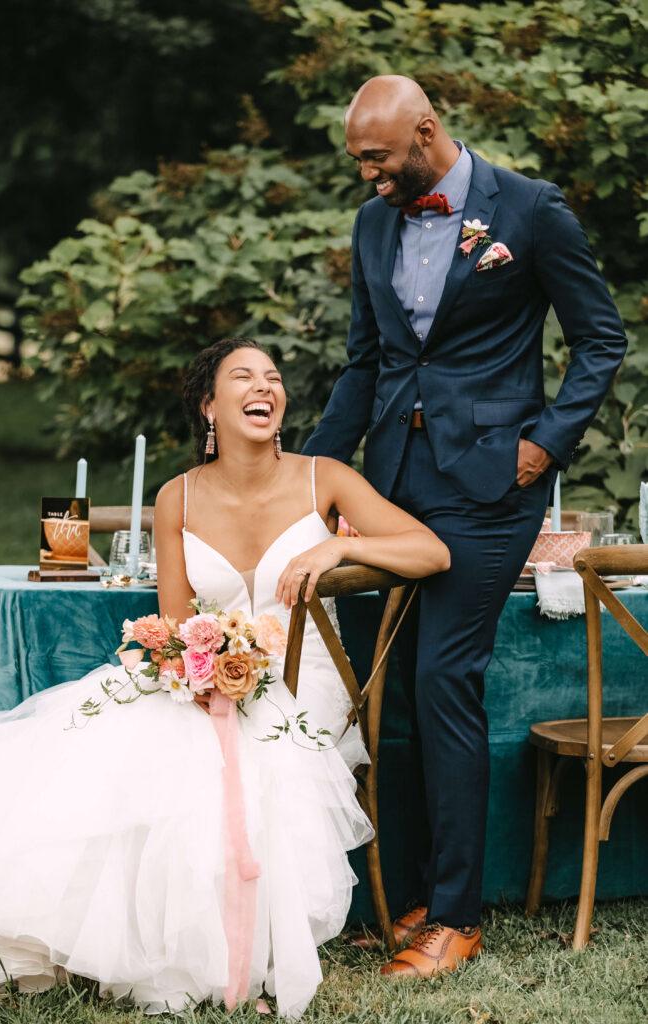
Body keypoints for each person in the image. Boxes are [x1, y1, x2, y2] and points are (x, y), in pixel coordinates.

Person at [0, 337, 449, 1018]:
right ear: (209, 407)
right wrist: (194, 671)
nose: (265, 387)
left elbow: (430, 550)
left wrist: (341, 542)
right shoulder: (176, 497)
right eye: (244, 377)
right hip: (206, 674)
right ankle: (110, 931)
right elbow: (173, 619)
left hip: (306, 681)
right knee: (114, 743)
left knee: (226, 757)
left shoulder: (325, 478)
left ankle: (221, 942)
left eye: (273, 378)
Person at [303, 75, 627, 977]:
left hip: (490, 486)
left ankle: (456, 915)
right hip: (389, 487)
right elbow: (364, 361)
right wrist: (318, 475)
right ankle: (399, 898)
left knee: (445, 675)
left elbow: (599, 338)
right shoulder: (374, 222)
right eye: (356, 159)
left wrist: (544, 447)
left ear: (426, 132)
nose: (366, 175)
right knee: (386, 690)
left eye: (376, 157)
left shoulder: (528, 210)